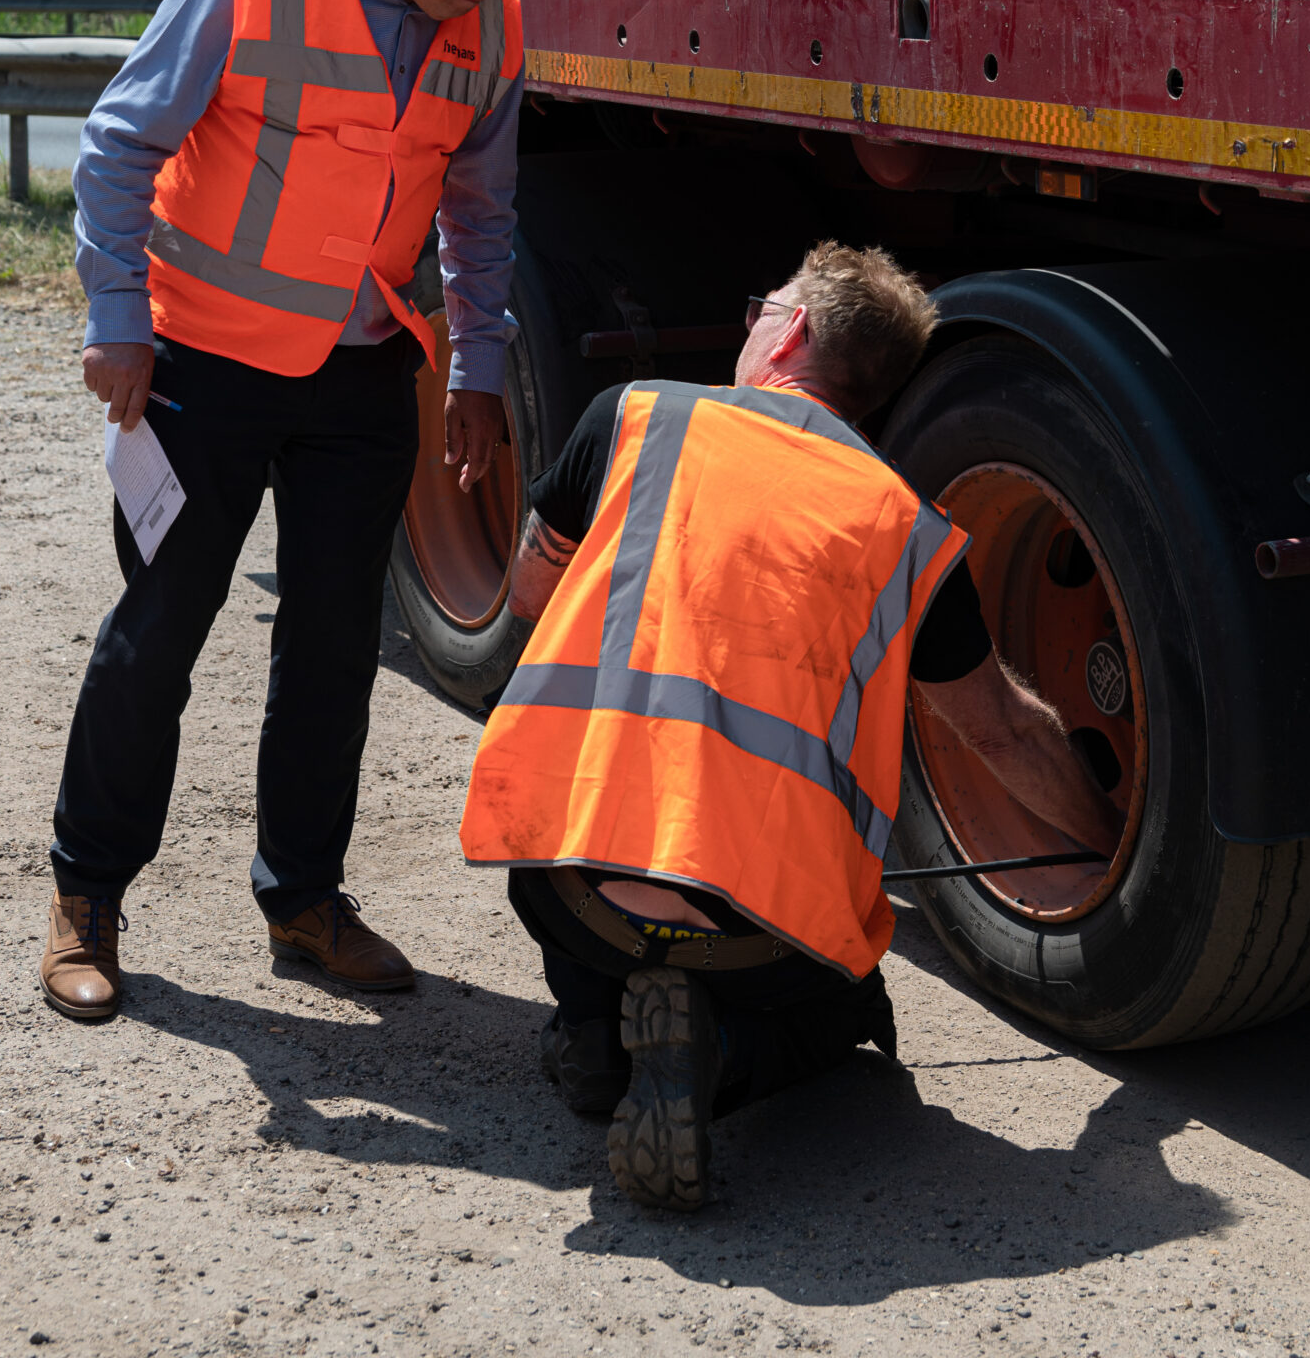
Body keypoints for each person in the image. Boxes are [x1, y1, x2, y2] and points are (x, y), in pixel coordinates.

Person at [460, 241, 1122, 1209]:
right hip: (758, 939)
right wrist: (1119, 856)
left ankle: (594, 1034)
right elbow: (1005, 733)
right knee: (847, 1008)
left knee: (587, 871)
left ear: (794, 329)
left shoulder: (633, 417)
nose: (745, 323)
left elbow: (529, 586)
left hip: (570, 889)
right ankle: (716, 1054)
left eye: (757, 307)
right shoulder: (899, 524)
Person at [40, 0, 544, 1022]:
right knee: (159, 630)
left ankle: (303, 900)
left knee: (332, 654)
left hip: (360, 368)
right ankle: (86, 895)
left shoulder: (494, 24)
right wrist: (117, 316)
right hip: (200, 360)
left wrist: (475, 364)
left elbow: (479, 212)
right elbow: (118, 143)